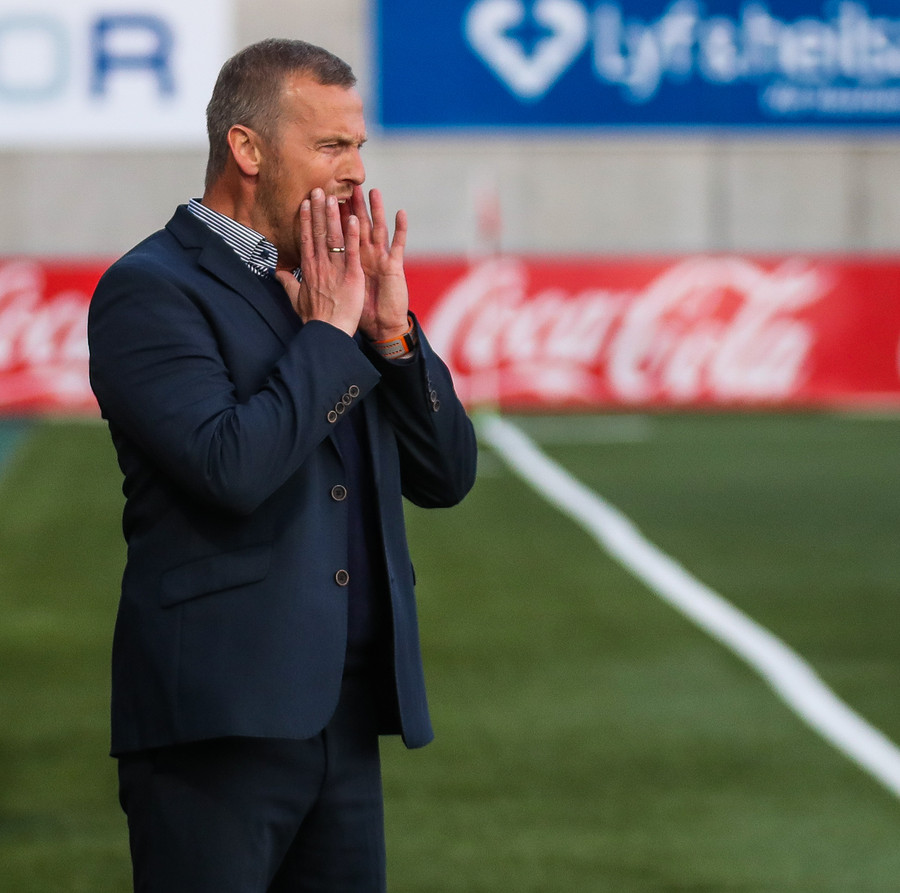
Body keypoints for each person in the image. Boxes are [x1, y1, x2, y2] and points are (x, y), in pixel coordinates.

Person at [88, 37, 477, 892]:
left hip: (346, 716)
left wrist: (392, 337)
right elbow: (229, 466)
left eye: (358, 145)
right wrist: (330, 338)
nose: (355, 169)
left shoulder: (337, 284)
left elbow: (446, 476)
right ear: (248, 148)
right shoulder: (150, 289)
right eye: (331, 145)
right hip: (217, 723)